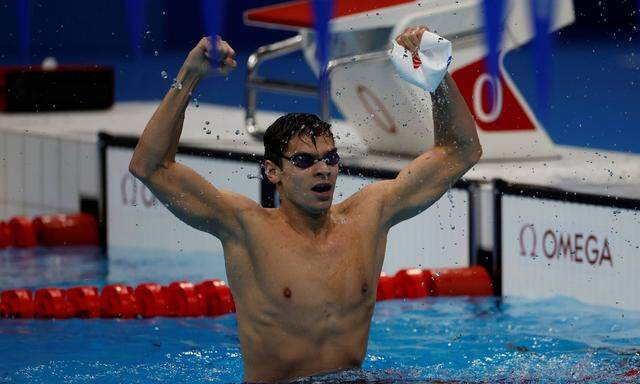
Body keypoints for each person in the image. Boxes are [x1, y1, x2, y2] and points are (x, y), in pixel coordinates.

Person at [129, 26, 482, 383]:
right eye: (304, 161)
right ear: (272, 171)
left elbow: (459, 152)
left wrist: (439, 79)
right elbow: (151, 167)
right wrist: (188, 77)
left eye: (330, 159)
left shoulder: (369, 215)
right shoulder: (244, 226)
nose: (322, 171)